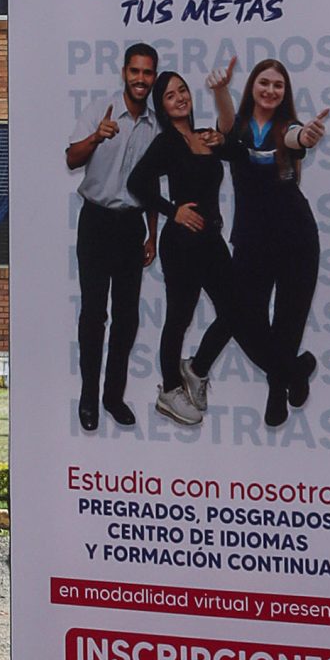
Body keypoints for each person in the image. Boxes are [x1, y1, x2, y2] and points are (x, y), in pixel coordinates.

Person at [126, 60, 272, 427]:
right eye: (170, 95)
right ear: (162, 106)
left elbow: (238, 152)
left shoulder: (206, 136)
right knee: (180, 316)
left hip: (212, 239)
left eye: (182, 91)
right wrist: (172, 210)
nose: (179, 98)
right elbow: (137, 183)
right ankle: (169, 390)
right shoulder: (166, 143)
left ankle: (196, 367)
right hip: (182, 243)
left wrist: (223, 139)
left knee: (237, 311)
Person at [205, 56, 330, 431]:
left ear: (285, 92)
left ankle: (277, 391)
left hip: (297, 238)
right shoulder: (240, 126)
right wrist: (220, 91)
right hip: (251, 241)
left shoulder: (287, 127)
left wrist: (306, 136)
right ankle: (295, 370)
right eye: (264, 83)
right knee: (246, 321)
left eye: (278, 85)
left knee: (289, 320)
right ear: (252, 87)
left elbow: (296, 138)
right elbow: (226, 127)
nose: (270, 90)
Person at [66, 43, 159, 431]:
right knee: (93, 315)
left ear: (154, 78)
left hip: (132, 226)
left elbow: (152, 184)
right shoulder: (99, 110)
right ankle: (88, 398)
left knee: (126, 318)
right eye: (135, 71)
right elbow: (71, 158)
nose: (140, 79)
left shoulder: (156, 125)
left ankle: (113, 397)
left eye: (147, 73)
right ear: (124, 73)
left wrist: (153, 235)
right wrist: (96, 137)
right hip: (96, 222)